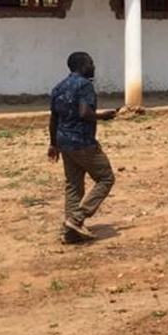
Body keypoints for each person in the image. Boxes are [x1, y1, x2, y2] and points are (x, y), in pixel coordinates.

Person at [48, 51, 117, 243]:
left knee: (73, 186)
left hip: (64, 143)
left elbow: (53, 118)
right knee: (105, 178)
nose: (93, 67)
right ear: (83, 65)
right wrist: (103, 116)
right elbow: (85, 112)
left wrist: (53, 143)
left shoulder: (58, 87)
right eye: (92, 63)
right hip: (83, 142)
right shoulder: (85, 85)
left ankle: (71, 231)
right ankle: (77, 218)